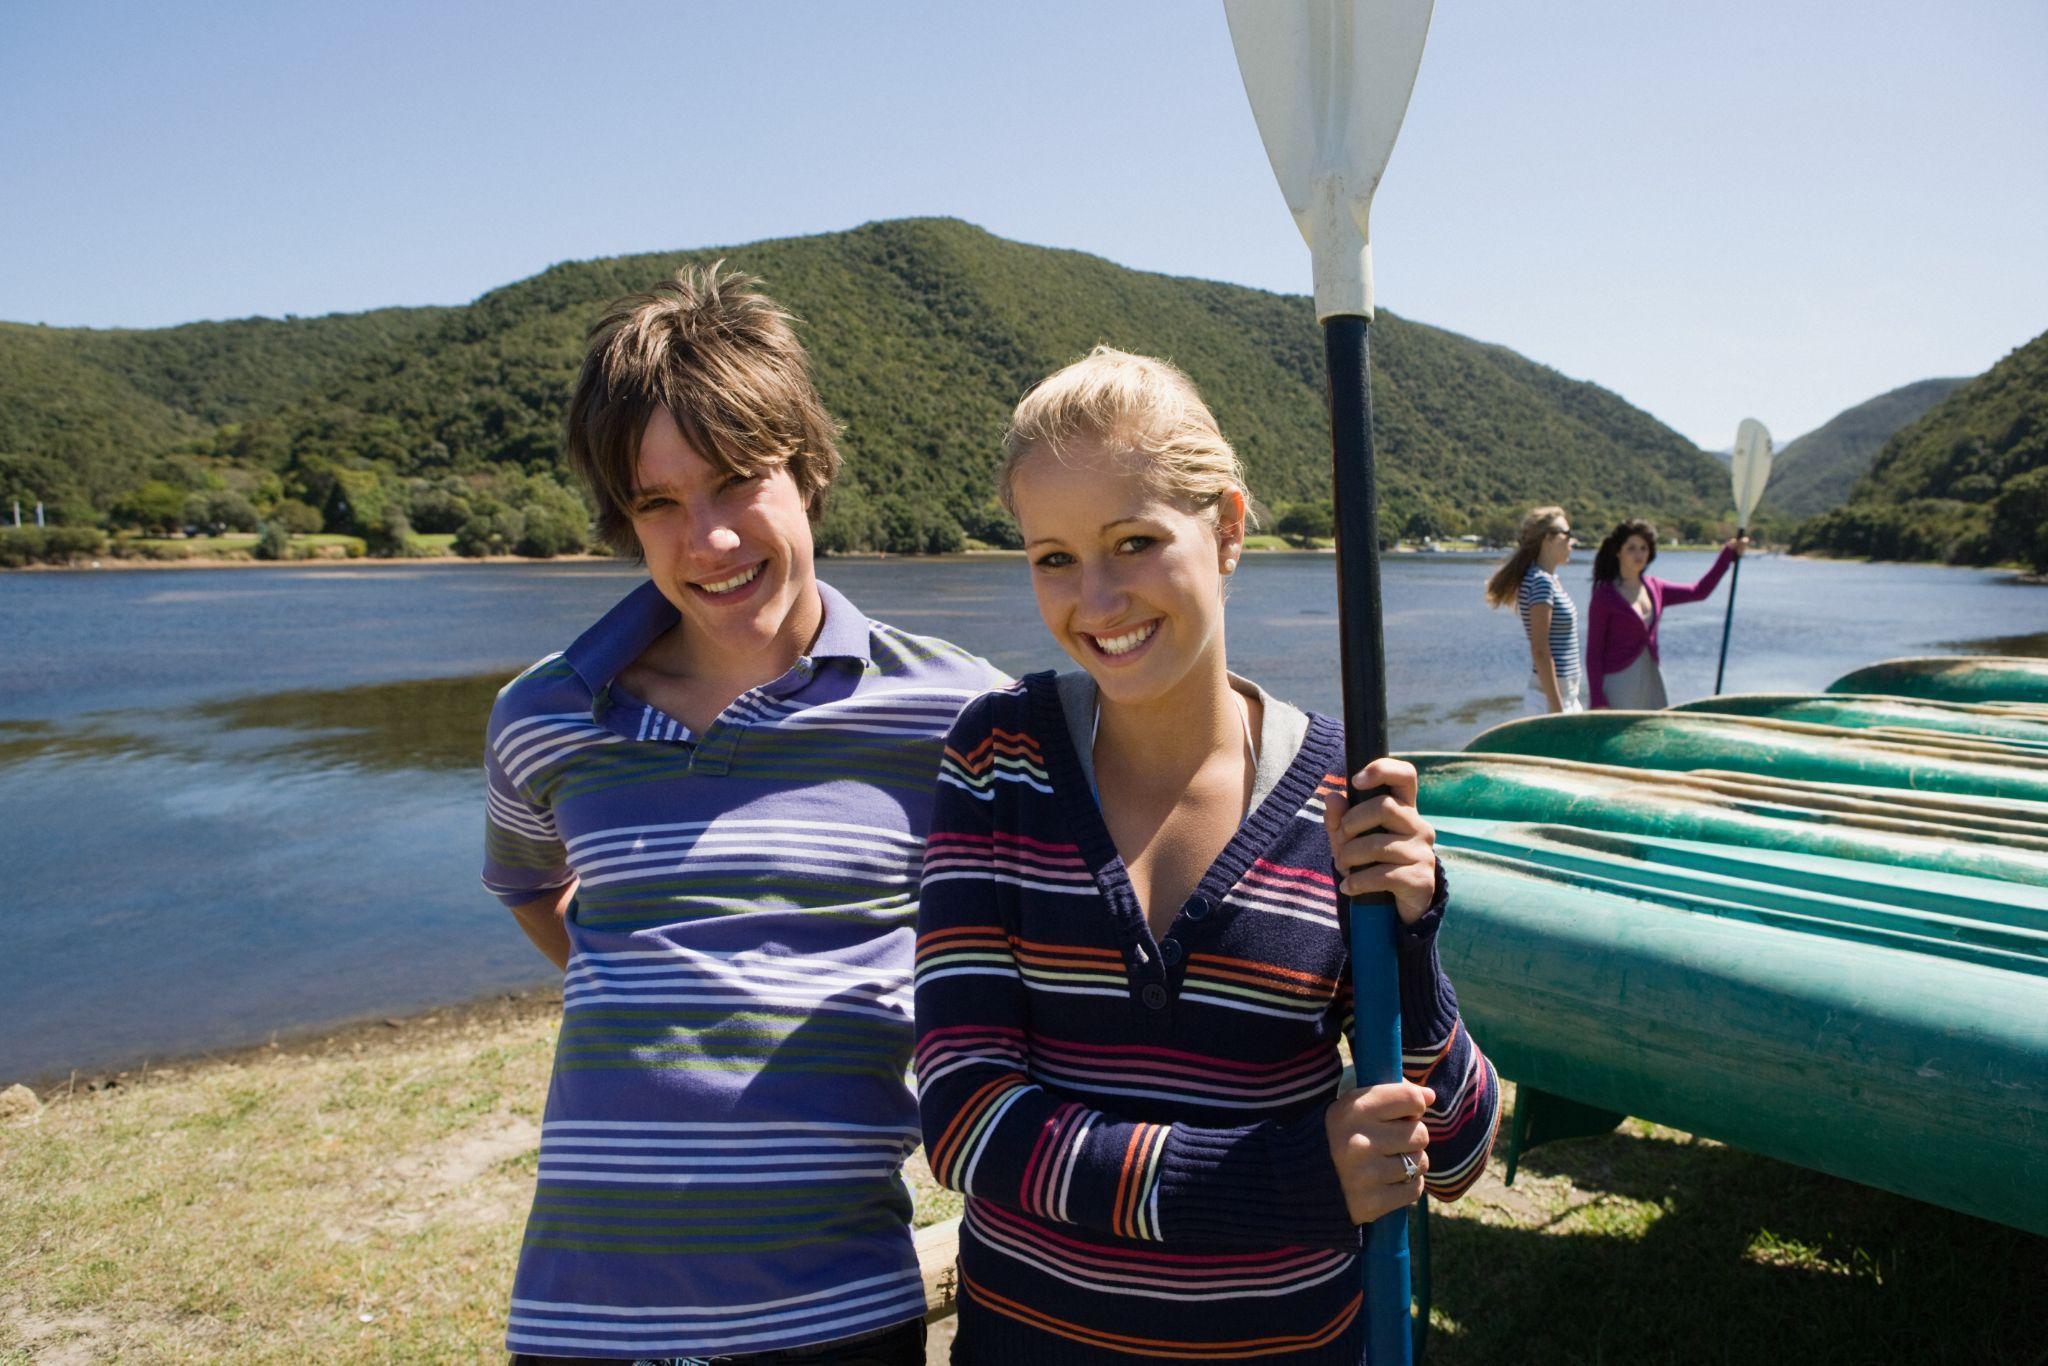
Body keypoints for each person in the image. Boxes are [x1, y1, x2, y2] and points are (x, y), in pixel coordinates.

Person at [913, 348, 1500, 1362]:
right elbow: (966, 1117)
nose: (1094, 601)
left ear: (1226, 528)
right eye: (1051, 557)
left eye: (1132, 541)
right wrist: (1273, 1180)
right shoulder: (996, 758)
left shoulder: (1340, 792)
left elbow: (1448, 1152)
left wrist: (1411, 943)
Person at [481, 265, 1004, 1365]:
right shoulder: (543, 717)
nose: (707, 539)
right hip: (583, 1316)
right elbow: (535, 885)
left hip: (835, 1315)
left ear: (807, 473)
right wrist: (634, 978)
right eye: (658, 502)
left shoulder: (956, 712)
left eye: (734, 483)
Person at [1583, 521, 1747, 709]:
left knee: (1653, 735)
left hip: (1653, 679)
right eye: (1631, 548)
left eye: (1643, 548)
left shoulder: (1656, 587)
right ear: (1618, 551)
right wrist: (1597, 698)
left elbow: (1699, 591)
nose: (1639, 554)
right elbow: (1594, 652)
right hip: (1618, 683)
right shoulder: (1604, 596)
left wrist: (1728, 555)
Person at [1485, 506, 1581, 714]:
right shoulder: (1541, 582)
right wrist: (1556, 708)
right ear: (1548, 538)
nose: (1572, 542)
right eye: (1567, 534)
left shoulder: (1548, 579)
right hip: (1551, 700)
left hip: (1565, 696)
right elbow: (1540, 650)